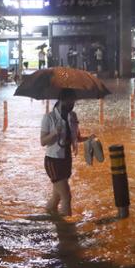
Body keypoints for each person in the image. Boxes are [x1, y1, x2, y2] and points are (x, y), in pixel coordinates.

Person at [40, 88, 93, 216]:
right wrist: (54, 133)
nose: (72, 105)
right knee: (67, 197)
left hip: (66, 160)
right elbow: (43, 141)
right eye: (69, 102)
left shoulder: (73, 116)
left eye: (73, 102)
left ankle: (49, 216)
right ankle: (67, 230)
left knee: (57, 197)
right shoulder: (49, 118)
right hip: (53, 161)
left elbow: (77, 138)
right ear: (62, 101)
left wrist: (89, 138)